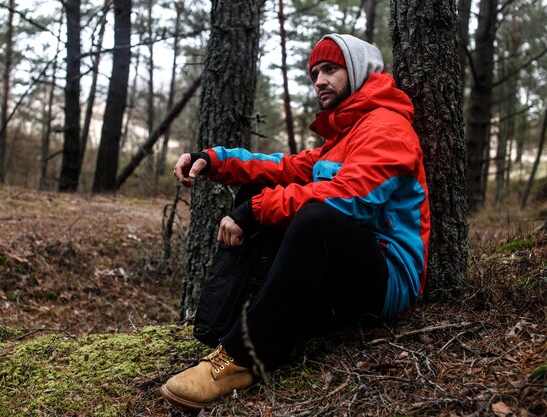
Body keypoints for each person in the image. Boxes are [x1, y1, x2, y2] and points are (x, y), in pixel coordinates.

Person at [161, 34, 431, 410]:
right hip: (344, 268)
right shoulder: (343, 135)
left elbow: (351, 199)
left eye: (330, 69)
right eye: (315, 72)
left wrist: (252, 211)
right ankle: (226, 326)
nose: (319, 80)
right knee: (269, 188)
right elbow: (285, 166)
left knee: (316, 217)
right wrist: (214, 158)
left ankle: (241, 357)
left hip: (388, 276)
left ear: (359, 72)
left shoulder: (387, 127)